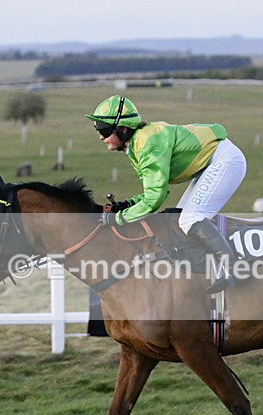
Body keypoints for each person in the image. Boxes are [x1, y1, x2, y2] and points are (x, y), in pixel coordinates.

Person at [86, 95, 246, 293]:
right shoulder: (136, 145)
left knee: (190, 218)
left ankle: (234, 267)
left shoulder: (147, 143)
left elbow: (155, 200)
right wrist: (128, 204)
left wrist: (118, 219)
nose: (101, 136)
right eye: (98, 129)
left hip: (224, 160)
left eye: (104, 130)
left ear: (124, 128)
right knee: (178, 218)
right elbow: (152, 191)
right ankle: (204, 268)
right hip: (211, 162)